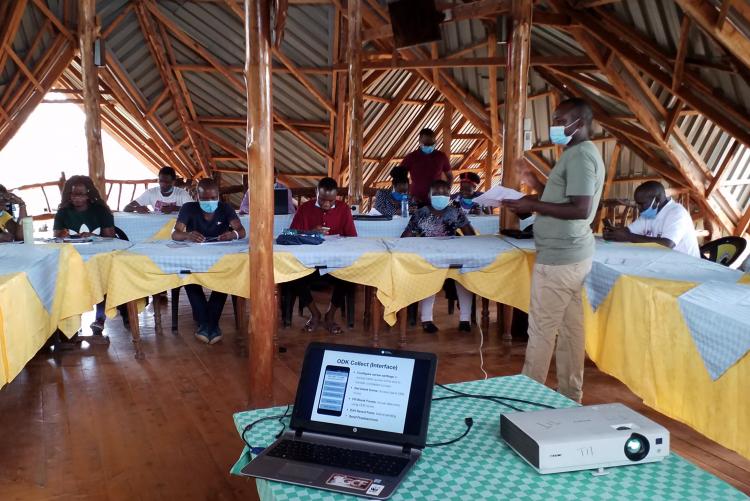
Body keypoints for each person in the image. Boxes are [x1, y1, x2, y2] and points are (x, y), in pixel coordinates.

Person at [502, 98, 604, 403]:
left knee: (542, 330)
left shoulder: (581, 156)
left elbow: (580, 208)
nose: (556, 127)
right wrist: (535, 184)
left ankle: (526, 399)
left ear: (580, 123)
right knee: (571, 331)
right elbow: (565, 197)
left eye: (562, 121)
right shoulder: (574, 153)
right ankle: (570, 395)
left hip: (561, 259)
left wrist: (532, 204)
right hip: (570, 256)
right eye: (555, 120)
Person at [172, 178, 246, 344]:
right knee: (188, 276)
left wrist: (232, 235)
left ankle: (205, 324)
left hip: (219, 256)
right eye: (205, 199)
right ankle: (210, 324)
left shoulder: (225, 208)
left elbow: (241, 231)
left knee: (226, 275)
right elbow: (175, 233)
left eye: (213, 198)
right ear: (197, 197)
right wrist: (187, 235)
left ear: (218, 196)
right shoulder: (188, 208)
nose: (210, 202)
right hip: (194, 256)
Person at [402, 179, 476, 333]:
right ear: (429, 195)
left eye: (444, 193)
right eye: (436, 193)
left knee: (465, 275)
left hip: (452, 256)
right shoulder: (420, 213)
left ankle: (465, 319)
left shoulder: (455, 212)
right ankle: (427, 319)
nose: (440, 196)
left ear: (450, 195)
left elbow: (471, 235)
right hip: (429, 258)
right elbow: (405, 238)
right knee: (429, 279)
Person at [289, 177, 356, 334]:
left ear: (336, 197)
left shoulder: (343, 209)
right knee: (294, 277)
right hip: (310, 263)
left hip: (334, 263)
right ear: (316, 193)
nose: (327, 204)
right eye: (323, 199)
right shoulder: (305, 208)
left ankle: (330, 315)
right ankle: (315, 314)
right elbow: (289, 233)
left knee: (349, 276)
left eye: (331, 201)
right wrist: (309, 232)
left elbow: (353, 238)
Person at [54, 176, 117, 338]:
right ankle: (73, 320)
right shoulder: (63, 212)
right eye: (73, 194)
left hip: (98, 254)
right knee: (71, 279)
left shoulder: (100, 210)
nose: (76, 198)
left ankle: (100, 317)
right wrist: (63, 233)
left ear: (89, 195)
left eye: (80, 195)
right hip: (73, 255)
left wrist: (93, 235)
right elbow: (57, 236)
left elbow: (110, 235)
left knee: (100, 276)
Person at [603, 181, 700, 257]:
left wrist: (628, 236)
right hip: (666, 261)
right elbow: (629, 231)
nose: (638, 208)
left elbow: (667, 244)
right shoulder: (650, 213)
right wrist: (613, 232)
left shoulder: (677, 213)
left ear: (657, 200)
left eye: (642, 204)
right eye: (637, 204)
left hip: (686, 266)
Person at [402, 128, 452, 206]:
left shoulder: (441, 157)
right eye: (426, 144)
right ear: (419, 142)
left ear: (435, 142)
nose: (429, 146)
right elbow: (400, 177)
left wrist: (446, 193)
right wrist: (408, 196)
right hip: (416, 200)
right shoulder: (411, 157)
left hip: (436, 200)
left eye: (431, 144)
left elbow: (450, 176)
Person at [123, 166, 193, 214]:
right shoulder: (151, 193)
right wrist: (136, 208)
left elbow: (194, 210)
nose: (163, 184)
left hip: (176, 228)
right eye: (161, 181)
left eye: (166, 182)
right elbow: (126, 208)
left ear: (173, 182)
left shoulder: (182, 194)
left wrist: (175, 208)